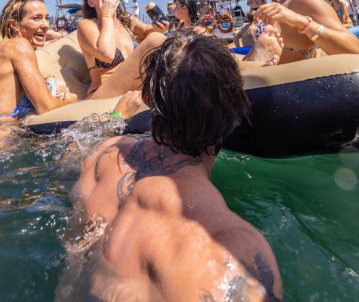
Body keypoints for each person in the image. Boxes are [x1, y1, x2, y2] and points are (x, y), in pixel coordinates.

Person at [59, 33, 282, 301]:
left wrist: (116, 117)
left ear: (146, 98)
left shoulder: (101, 158)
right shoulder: (234, 251)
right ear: (236, 109)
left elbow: (65, 158)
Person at [0, 0, 77, 118]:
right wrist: (72, 100)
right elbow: (46, 107)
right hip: (1, 135)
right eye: (36, 18)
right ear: (14, 25)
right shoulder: (20, 45)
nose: (46, 25)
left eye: (47, 18)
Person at [76, 0, 168, 100]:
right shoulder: (87, 25)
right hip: (105, 93)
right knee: (156, 40)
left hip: (135, 89)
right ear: (91, 2)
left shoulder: (126, 20)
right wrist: (107, 15)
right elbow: (106, 54)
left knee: (160, 38)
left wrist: (158, 27)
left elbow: (147, 31)